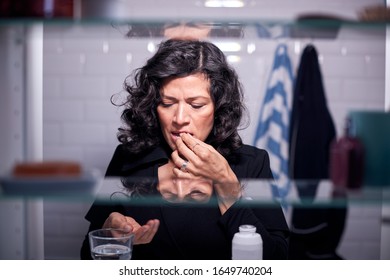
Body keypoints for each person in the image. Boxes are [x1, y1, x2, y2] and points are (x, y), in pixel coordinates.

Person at [80, 39, 289, 260]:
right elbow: (87, 256)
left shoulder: (251, 163)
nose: (179, 119)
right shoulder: (128, 157)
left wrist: (226, 183)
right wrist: (109, 232)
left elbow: (278, 261)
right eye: (167, 103)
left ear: (218, 107)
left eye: (196, 105)